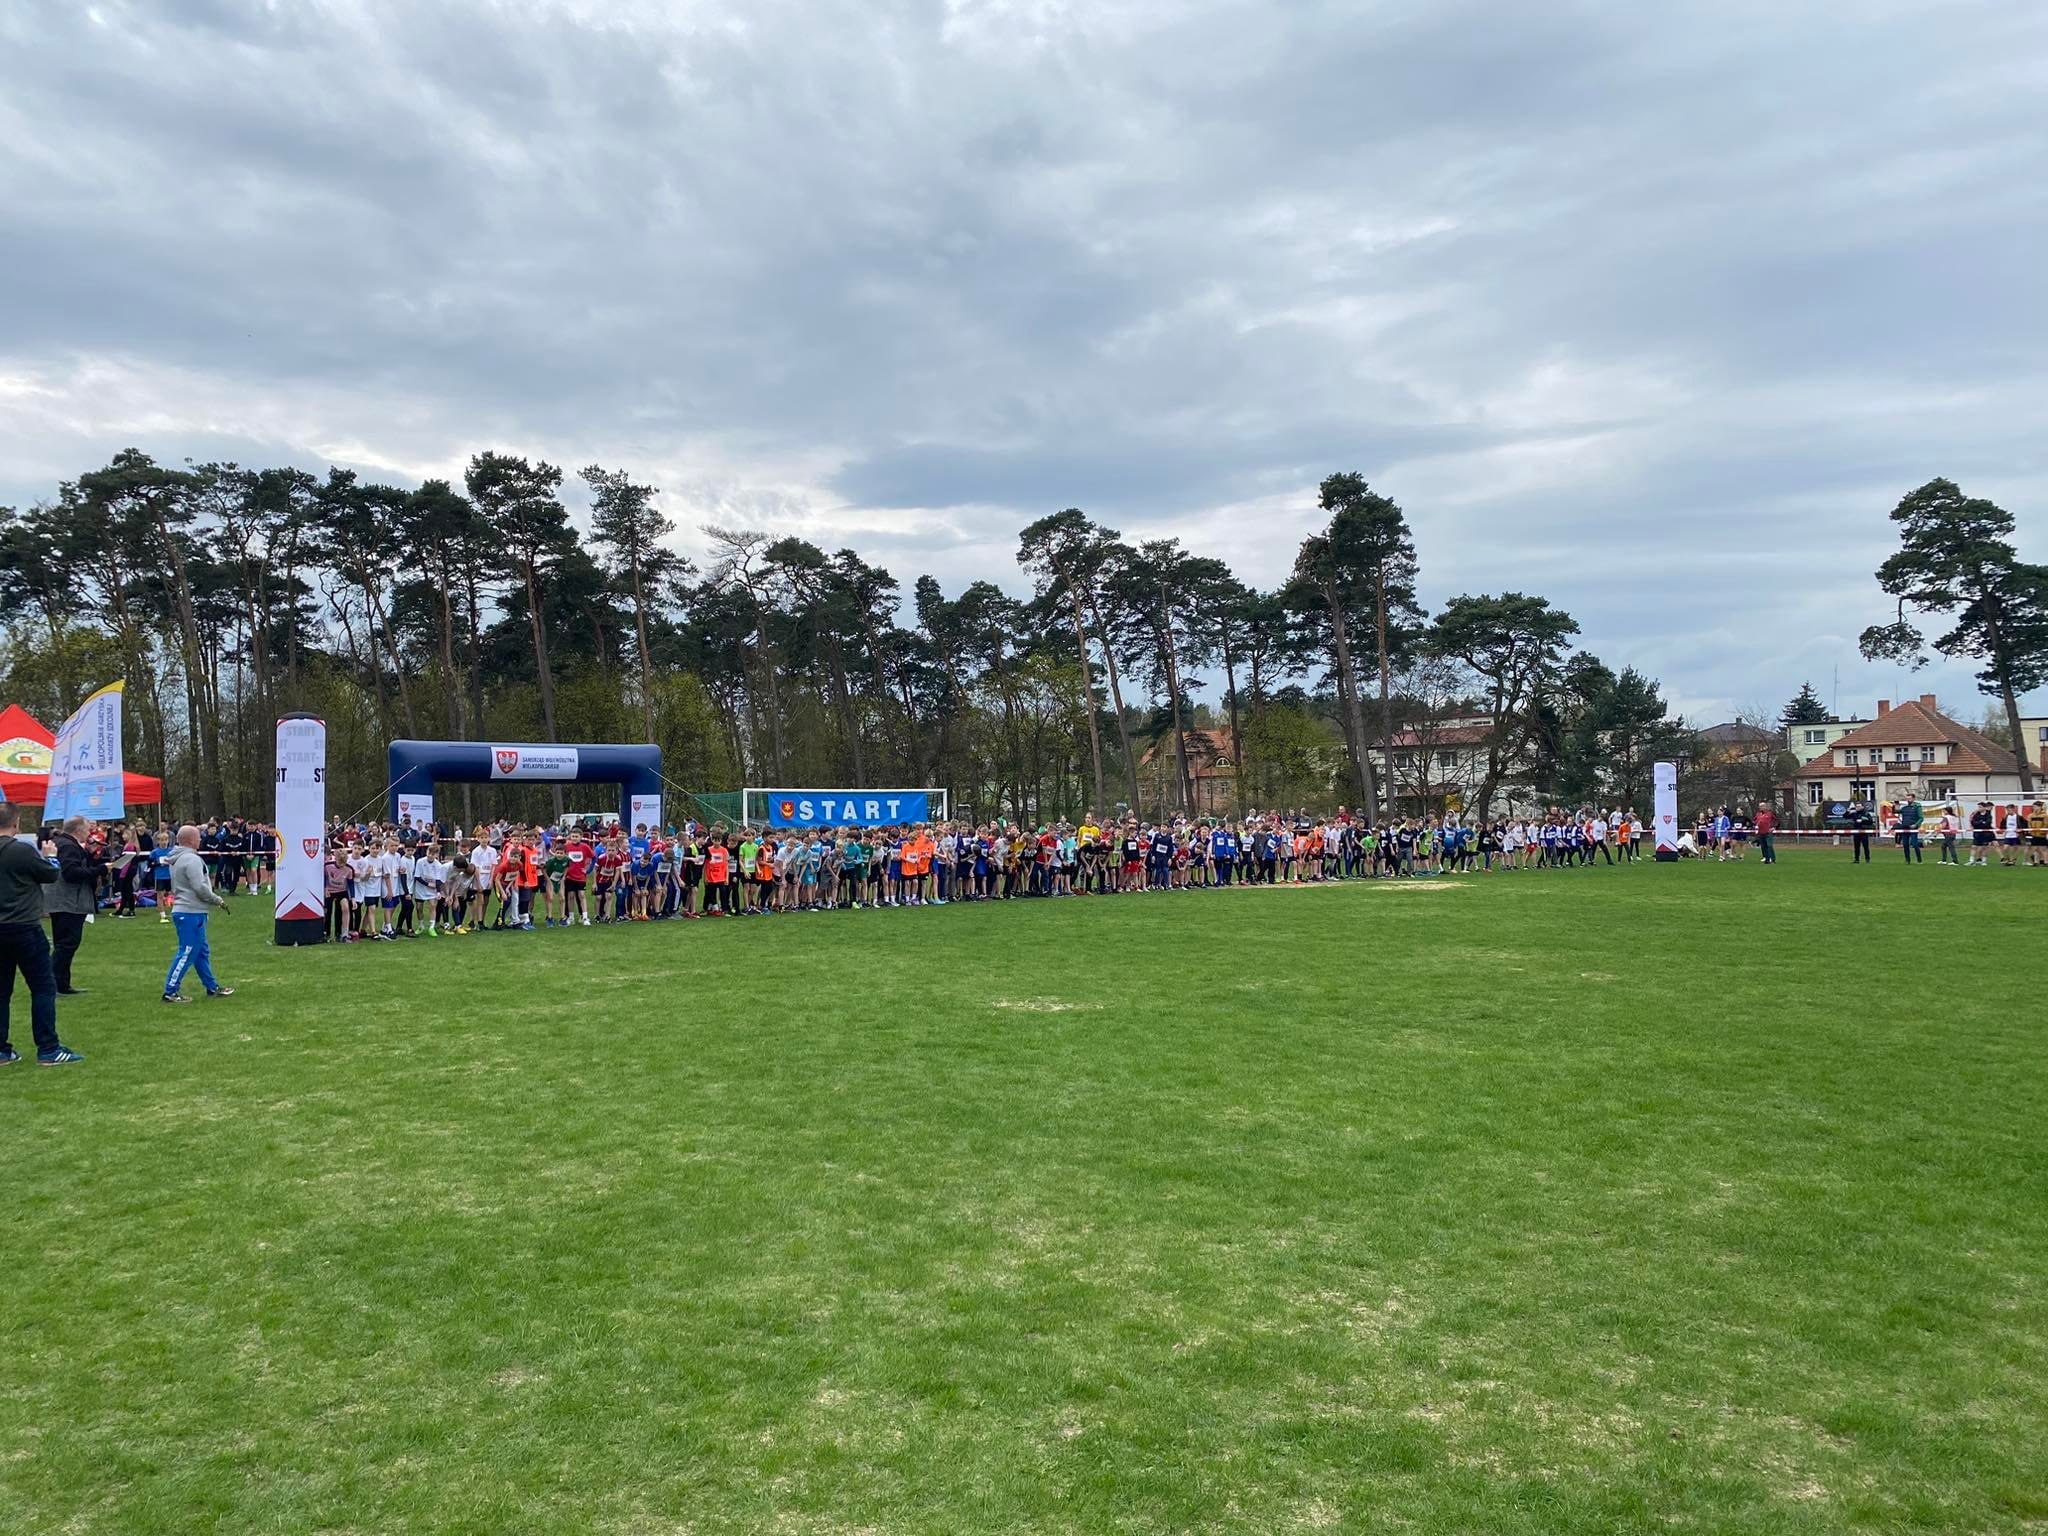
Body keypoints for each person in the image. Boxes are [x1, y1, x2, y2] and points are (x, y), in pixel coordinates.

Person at [0, 801, 82, 1064]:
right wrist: (49, 855)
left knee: (2, 991)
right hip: (24, 926)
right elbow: (50, 874)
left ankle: (2, 1049)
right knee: (43, 987)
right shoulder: (21, 851)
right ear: (16, 823)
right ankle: (48, 1048)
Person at [164, 824, 234, 1003]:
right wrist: (217, 900)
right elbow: (199, 887)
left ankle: (212, 987)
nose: (201, 839)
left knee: (201, 952)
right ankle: (170, 991)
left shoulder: (178, 858)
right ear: (190, 840)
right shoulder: (191, 859)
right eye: (198, 837)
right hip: (190, 912)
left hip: (190, 911)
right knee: (187, 951)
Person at [44, 815, 105, 996]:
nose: (89, 833)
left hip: (62, 901)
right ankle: (53, 983)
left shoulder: (63, 844)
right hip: (68, 901)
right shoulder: (69, 846)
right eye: (87, 830)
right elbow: (72, 873)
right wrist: (100, 870)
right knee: (67, 944)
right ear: (78, 830)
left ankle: (62, 984)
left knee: (64, 943)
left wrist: (90, 854)